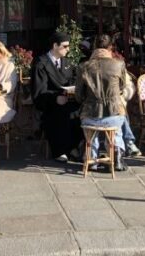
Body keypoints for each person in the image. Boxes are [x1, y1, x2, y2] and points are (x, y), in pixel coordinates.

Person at [76, 34, 128, 171]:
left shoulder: (84, 66)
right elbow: (122, 87)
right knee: (116, 131)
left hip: (91, 115)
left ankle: (91, 160)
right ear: (111, 47)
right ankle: (117, 158)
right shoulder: (119, 64)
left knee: (91, 134)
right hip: (114, 114)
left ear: (94, 47)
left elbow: (78, 95)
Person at [31, 32, 82, 162]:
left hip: (69, 100)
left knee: (81, 112)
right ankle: (60, 150)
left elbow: (74, 81)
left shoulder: (68, 63)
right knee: (60, 114)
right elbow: (39, 92)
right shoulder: (40, 63)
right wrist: (55, 98)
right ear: (55, 45)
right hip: (50, 104)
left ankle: (73, 147)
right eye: (65, 46)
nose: (68, 49)